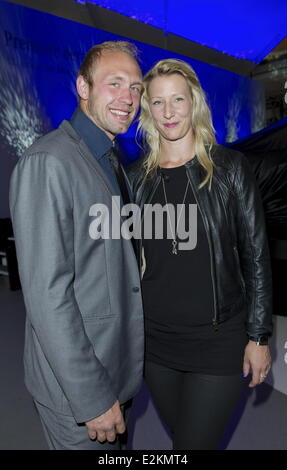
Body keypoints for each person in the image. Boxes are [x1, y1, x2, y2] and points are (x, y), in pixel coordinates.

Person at [128, 59, 273, 450]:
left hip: (218, 340)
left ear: (194, 102)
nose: (169, 111)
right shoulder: (134, 177)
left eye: (178, 99)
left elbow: (256, 254)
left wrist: (259, 336)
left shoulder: (230, 169)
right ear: (147, 110)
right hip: (155, 344)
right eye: (157, 103)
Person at [9, 41, 144, 450]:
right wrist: (93, 398)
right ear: (83, 87)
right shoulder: (49, 162)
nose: (128, 98)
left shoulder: (108, 156)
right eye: (115, 83)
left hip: (115, 367)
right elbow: (49, 298)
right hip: (81, 393)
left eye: (136, 87)